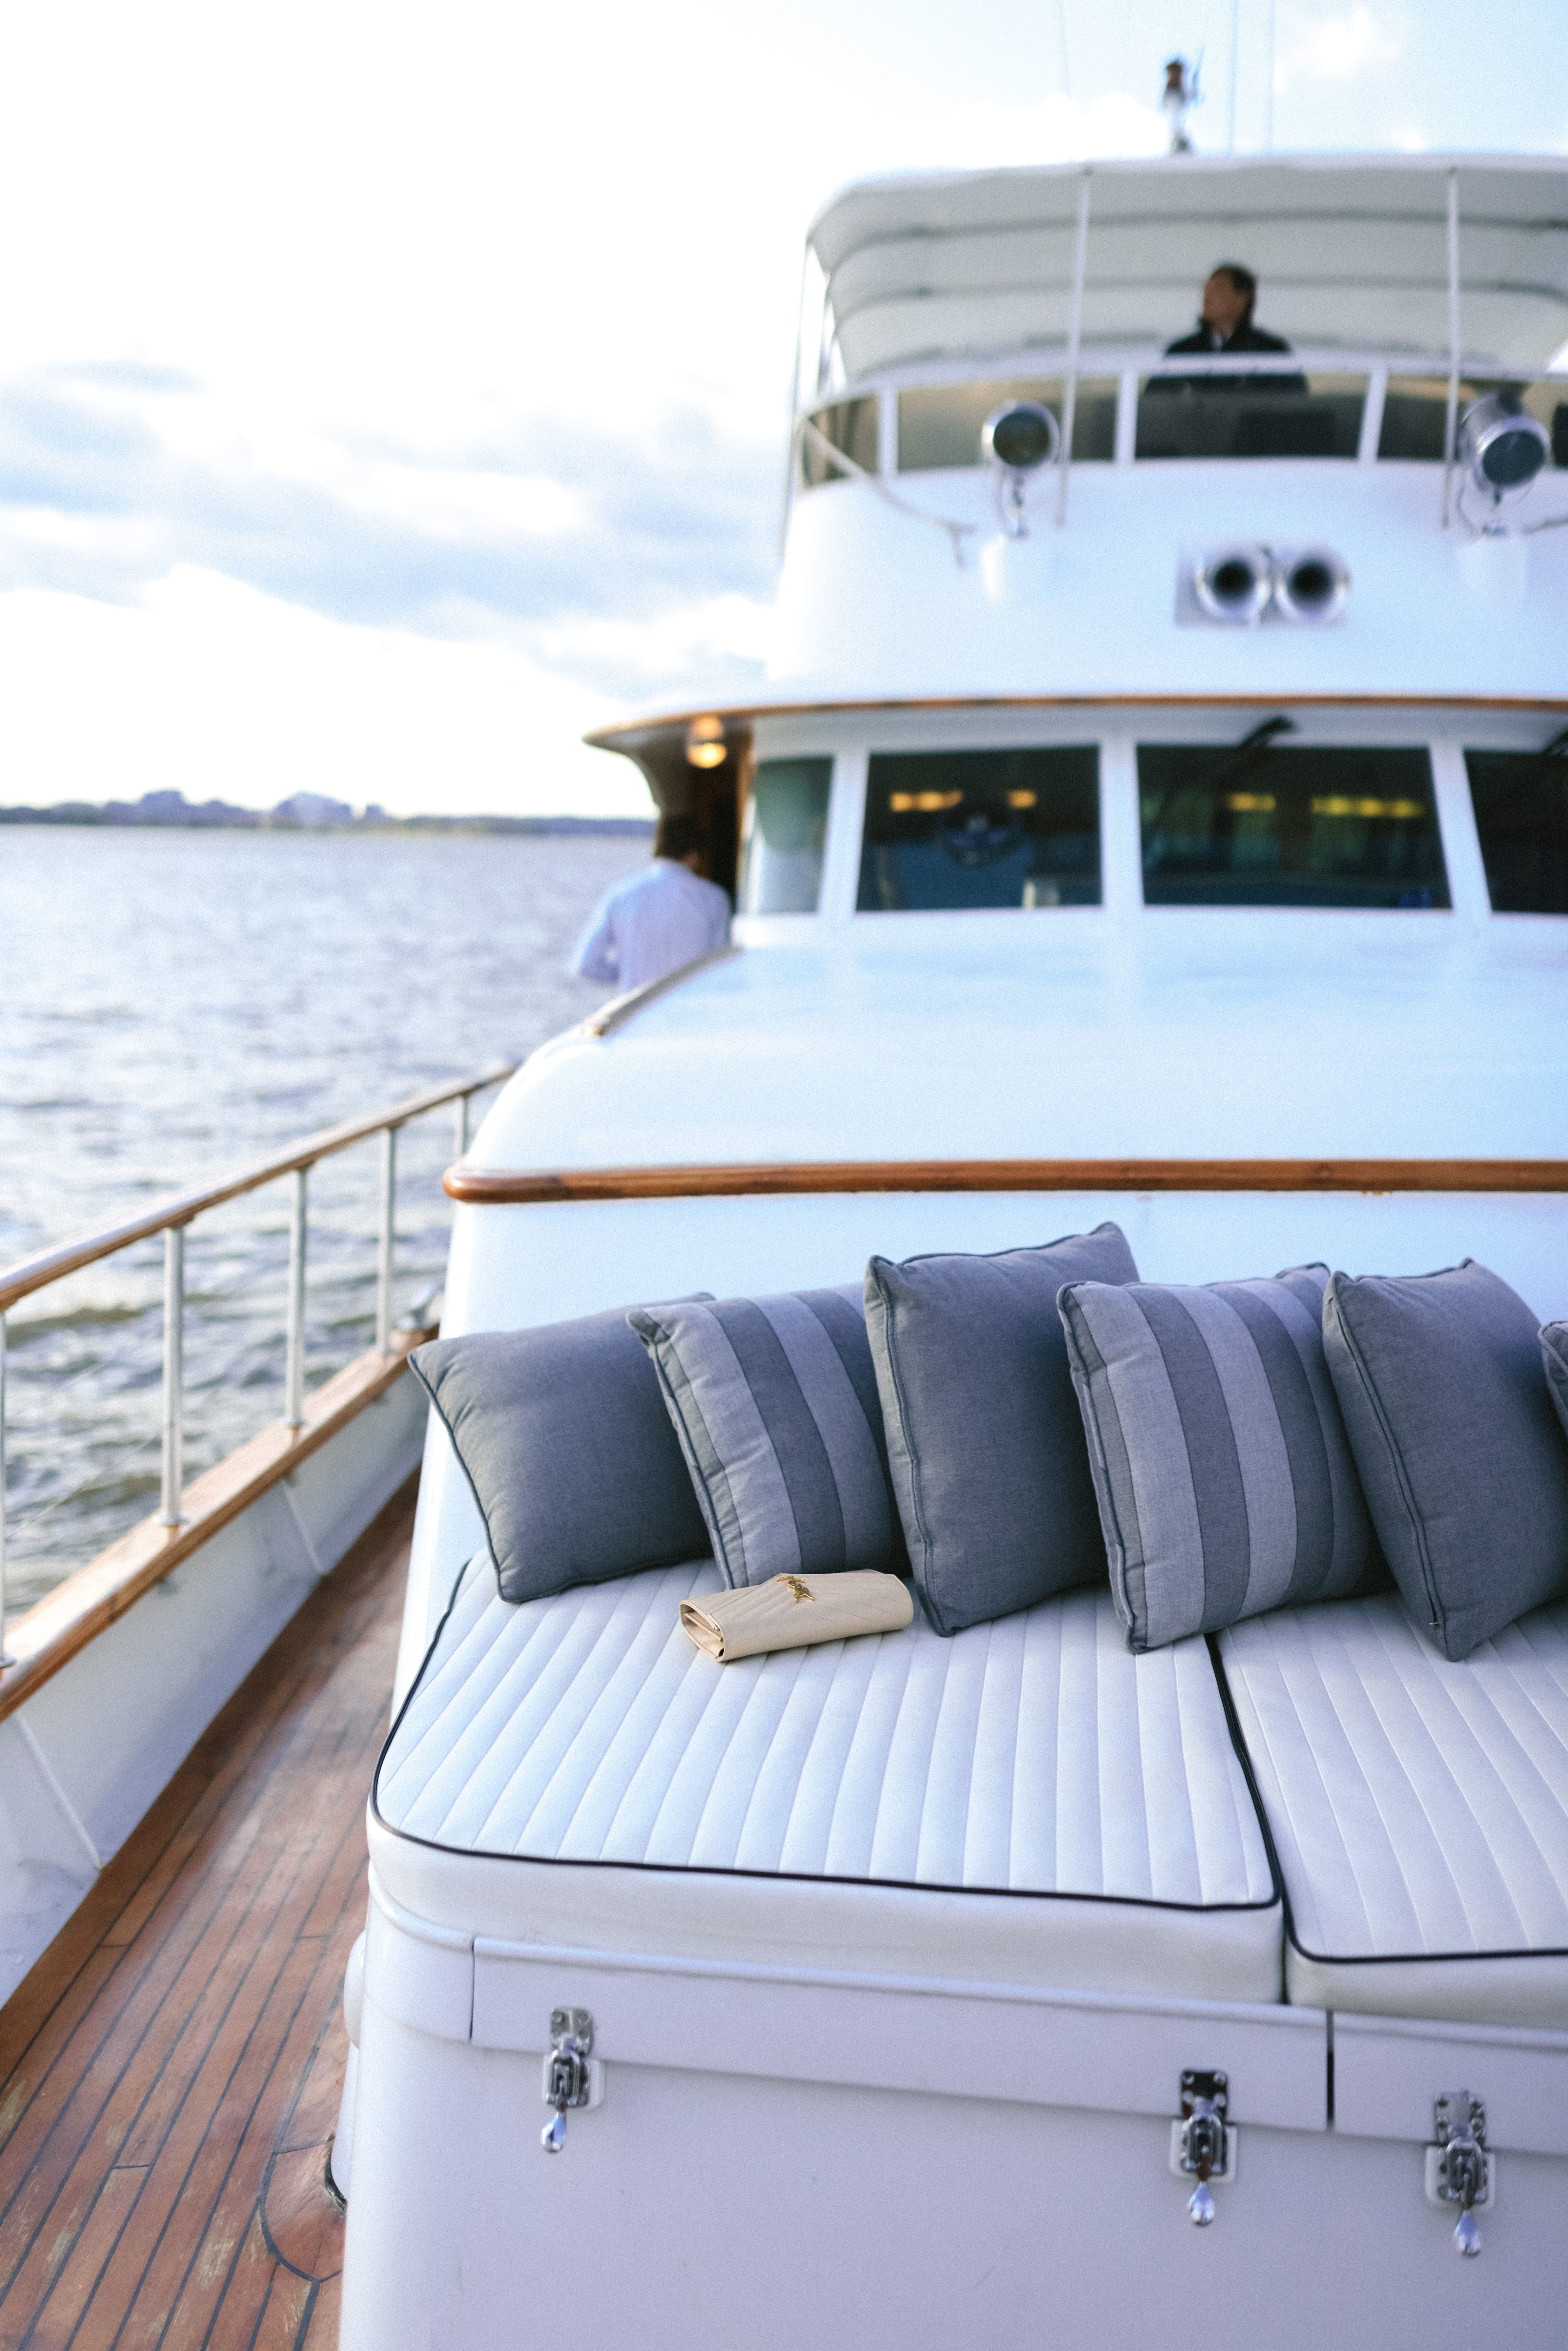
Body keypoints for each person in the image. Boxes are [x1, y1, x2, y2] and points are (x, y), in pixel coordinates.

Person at [571, 812, 731, 993]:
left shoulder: (620, 895)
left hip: (640, 1016)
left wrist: (630, 972)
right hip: (694, 1012)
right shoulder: (714, 898)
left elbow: (587, 965)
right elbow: (720, 967)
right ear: (694, 856)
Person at [1155, 265, 1306, 395]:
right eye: (1207, 289)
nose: (1208, 296)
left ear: (1242, 299)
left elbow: (1293, 405)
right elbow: (1155, 405)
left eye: (1218, 289)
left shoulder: (1270, 351)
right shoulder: (1182, 352)